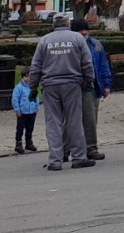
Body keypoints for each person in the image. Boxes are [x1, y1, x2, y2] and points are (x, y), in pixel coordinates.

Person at [24, 15, 97, 171]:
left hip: (50, 85)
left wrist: (33, 86)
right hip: (72, 84)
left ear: (53, 25)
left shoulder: (45, 40)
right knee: (74, 121)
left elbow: (36, 65)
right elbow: (87, 62)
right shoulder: (77, 38)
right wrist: (89, 80)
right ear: (68, 24)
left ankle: (55, 161)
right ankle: (78, 157)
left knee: (53, 122)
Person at [71, 18, 113, 161]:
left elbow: (103, 65)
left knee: (90, 119)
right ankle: (67, 149)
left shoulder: (96, 44)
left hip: (92, 87)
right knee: (70, 119)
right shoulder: (71, 45)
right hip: (74, 87)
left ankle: (91, 148)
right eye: (80, 30)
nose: (84, 32)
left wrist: (107, 84)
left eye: (86, 29)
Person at [11, 78, 39, 155]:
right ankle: (18, 143)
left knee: (30, 128)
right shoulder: (19, 88)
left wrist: (36, 108)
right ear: (23, 77)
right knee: (20, 128)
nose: (29, 79)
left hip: (31, 111)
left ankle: (29, 142)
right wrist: (17, 110)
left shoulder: (33, 88)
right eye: (27, 76)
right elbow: (15, 99)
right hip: (23, 112)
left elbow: (36, 97)